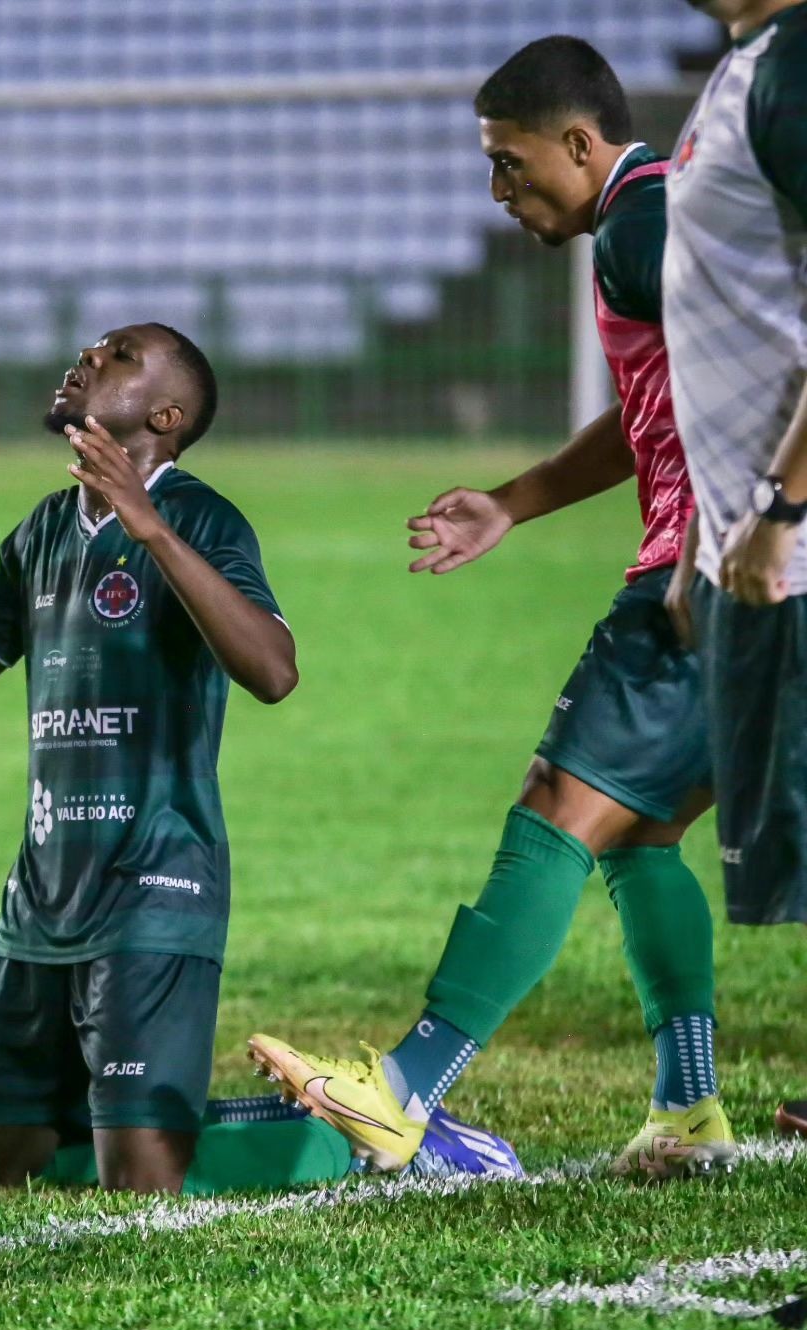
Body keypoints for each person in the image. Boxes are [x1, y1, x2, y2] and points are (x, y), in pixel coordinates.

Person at [250, 36, 734, 1178]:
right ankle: (690, 1107)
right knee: (644, 829)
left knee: (561, 802)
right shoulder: (649, 220)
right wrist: (513, 504)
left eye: (511, 166)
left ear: (579, 143)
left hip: (717, 565)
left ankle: (406, 1086)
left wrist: (712, 541)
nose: (499, 194)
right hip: (754, 564)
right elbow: (652, 415)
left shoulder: (639, 226)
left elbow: (763, 375)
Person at [0, 323, 307, 1194]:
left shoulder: (201, 518)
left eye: (118, 356)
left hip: (157, 887)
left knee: (141, 1186)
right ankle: (135, 1113)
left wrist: (150, 529)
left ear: (167, 413)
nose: (88, 356)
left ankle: (330, 1140)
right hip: (41, 896)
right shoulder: (44, 528)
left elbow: (272, 671)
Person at [662, 0, 807, 1138]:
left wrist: (782, 503)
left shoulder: (798, 61)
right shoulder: (751, 65)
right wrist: (710, 539)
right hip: (751, 541)